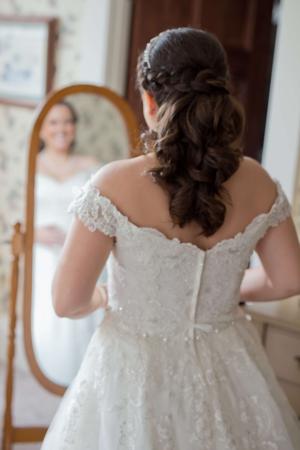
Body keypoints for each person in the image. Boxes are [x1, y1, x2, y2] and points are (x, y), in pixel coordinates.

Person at [41, 28, 300, 449]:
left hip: (133, 368)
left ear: (148, 101)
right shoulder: (258, 180)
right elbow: (289, 279)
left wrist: (107, 297)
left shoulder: (113, 184)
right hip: (227, 362)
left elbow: (67, 301)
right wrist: (224, 291)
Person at [33, 100, 104, 386]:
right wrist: (34, 234)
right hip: (42, 253)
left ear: (74, 128)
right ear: (42, 130)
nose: (61, 129)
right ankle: (49, 376)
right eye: (53, 122)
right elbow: (17, 212)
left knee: (82, 313)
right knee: (49, 314)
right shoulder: (31, 165)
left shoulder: (90, 166)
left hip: (79, 251)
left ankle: (82, 381)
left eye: (67, 122)